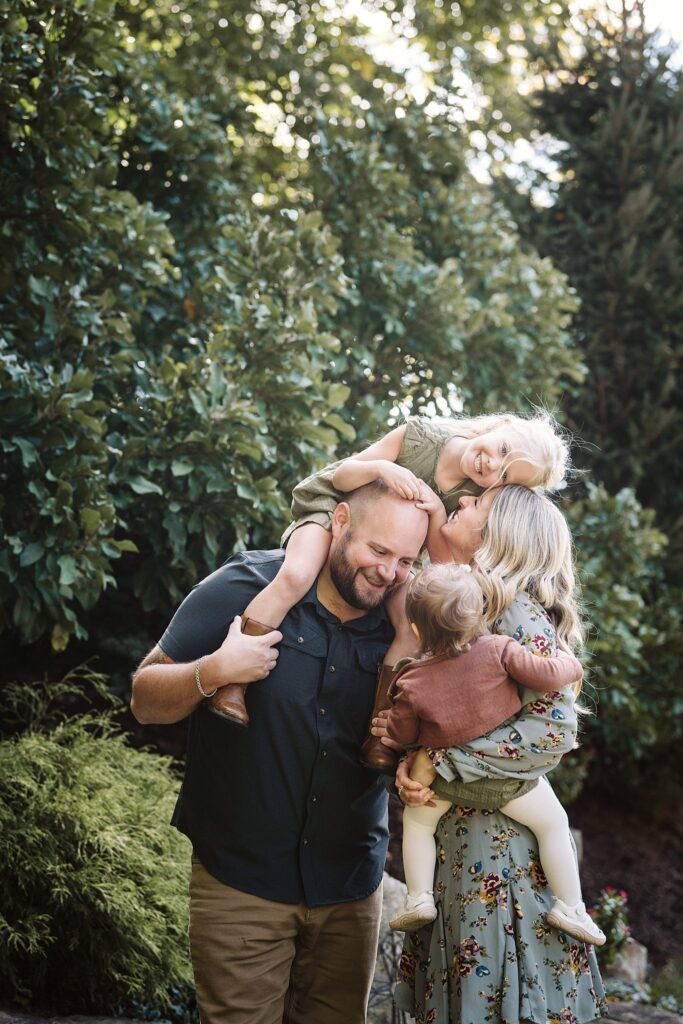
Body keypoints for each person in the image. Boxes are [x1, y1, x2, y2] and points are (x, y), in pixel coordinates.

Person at [129, 481, 429, 1024]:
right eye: (378, 551)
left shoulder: (408, 626)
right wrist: (214, 670)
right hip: (241, 885)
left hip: (350, 890)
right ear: (339, 520)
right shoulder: (246, 585)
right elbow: (144, 699)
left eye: (406, 560)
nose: (389, 573)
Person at [373, 484, 607, 1024]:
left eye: (477, 503)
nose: (462, 500)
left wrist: (439, 763)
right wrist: (414, 754)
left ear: (499, 534)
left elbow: (552, 728)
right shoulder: (460, 603)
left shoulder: (510, 611)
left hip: (499, 859)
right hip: (463, 846)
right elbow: (448, 713)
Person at [210, 410, 570, 727]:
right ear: (502, 424)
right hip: (334, 512)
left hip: (393, 554)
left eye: (504, 476)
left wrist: (436, 513)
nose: (492, 466)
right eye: (503, 450)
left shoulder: (467, 491)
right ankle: (233, 682)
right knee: (296, 575)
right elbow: (342, 477)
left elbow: (443, 563)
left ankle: (382, 727)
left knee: (411, 628)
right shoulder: (420, 437)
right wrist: (381, 468)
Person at [384, 562, 605, 948]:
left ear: (416, 630)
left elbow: (403, 734)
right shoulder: (499, 649)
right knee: (553, 823)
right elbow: (545, 674)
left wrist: (399, 731)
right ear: (480, 617)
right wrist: (570, 664)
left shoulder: (411, 680)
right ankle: (570, 906)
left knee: (418, 825)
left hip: (445, 781)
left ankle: (418, 897)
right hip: (509, 779)